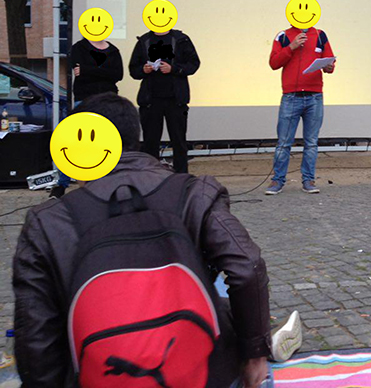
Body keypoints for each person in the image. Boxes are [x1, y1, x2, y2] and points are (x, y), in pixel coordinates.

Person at [13, 93, 301, 387]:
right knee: (208, 280)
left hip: (100, 376)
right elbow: (247, 267)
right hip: (203, 375)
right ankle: (270, 349)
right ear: (134, 137)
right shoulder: (193, 193)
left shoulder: (47, 221)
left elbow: (36, 335)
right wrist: (254, 355)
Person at [266, 26, 335, 195]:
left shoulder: (320, 34)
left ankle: (308, 180)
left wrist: (328, 67)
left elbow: (330, 63)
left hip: (314, 96)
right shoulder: (283, 35)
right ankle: (277, 180)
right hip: (291, 96)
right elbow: (274, 64)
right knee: (284, 142)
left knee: (311, 142)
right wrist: (291, 47)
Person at [53, 34, 124, 197]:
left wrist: (88, 70)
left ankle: (110, 181)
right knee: (74, 140)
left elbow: (118, 75)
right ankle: (62, 183)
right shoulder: (78, 48)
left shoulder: (113, 50)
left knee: (109, 140)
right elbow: (78, 71)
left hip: (107, 100)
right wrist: (104, 72)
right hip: (84, 98)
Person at [129, 25, 200, 173]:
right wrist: (143, 69)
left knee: (179, 141)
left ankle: (181, 176)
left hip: (176, 99)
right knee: (150, 142)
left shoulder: (181, 39)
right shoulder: (144, 40)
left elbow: (194, 64)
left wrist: (173, 69)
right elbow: (133, 69)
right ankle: (151, 176)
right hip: (150, 100)